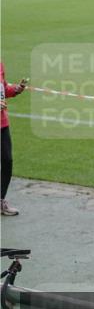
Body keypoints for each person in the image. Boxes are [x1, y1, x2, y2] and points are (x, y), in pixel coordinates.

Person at [1, 62, 27, 217]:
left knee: (7, 160)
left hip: (2, 122)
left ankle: (0, 200)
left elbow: (3, 88)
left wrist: (16, 90)